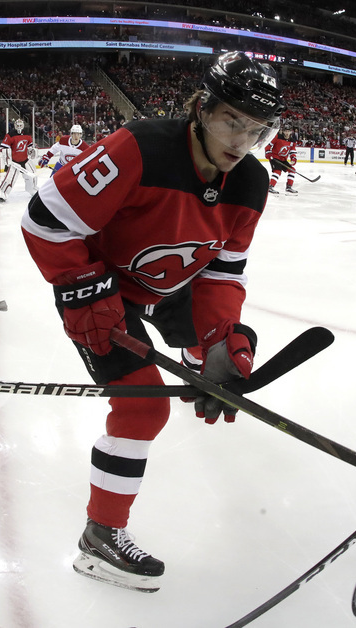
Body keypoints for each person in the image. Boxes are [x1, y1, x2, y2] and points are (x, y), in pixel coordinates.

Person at [21, 51, 283, 592]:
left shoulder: (252, 183)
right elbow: (44, 220)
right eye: (230, 120)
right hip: (102, 288)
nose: (240, 141)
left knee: (216, 343)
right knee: (142, 409)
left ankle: (199, 363)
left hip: (170, 283)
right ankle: (100, 537)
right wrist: (82, 293)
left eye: (255, 129)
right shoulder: (138, 148)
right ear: (201, 108)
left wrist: (220, 342)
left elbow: (222, 275)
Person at [0, 118, 37, 201]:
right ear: (15, 126)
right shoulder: (10, 135)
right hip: (14, 162)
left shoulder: (27, 135)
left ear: (23, 126)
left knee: (32, 175)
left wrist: (31, 151)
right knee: (9, 179)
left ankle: (33, 190)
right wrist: (7, 159)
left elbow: (29, 146)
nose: (19, 127)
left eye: (20, 125)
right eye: (17, 125)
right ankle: (2, 194)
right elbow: (4, 148)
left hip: (25, 160)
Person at [265, 124, 298, 195]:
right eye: (285, 131)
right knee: (277, 171)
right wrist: (268, 154)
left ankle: (289, 187)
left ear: (291, 132)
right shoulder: (277, 137)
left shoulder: (292, 141)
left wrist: (293, 158)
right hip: (275, 158)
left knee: (292, 170)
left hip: (283, 160)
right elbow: (268, 145)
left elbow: (292, 151)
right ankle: (270, 187)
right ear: (283, 131)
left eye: (288, 131)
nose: (286, 132)